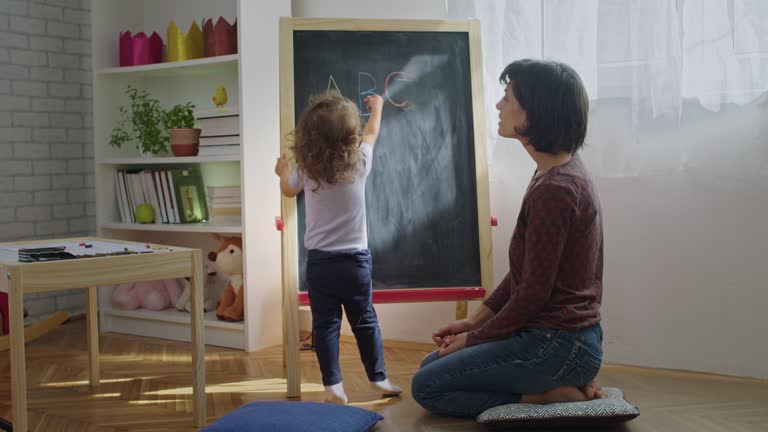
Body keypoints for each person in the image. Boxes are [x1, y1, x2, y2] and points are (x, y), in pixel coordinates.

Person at [411, 59, 606, 417]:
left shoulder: (557, 189)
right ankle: (566, 381)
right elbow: (523, 277)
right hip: (562, 341)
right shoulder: (556, 171)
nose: (499, 106)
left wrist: (475, 338)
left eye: (507, 97)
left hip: (557, 344)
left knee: (428, 386)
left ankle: (546, 397)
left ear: (533, 113)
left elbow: (532, 292)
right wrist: (473, 322)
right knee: (430, 365)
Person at [275, 91, 402, 404]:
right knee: (364, 321)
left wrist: (282, 170)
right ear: (349, 134)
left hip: (320, 264)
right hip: (355, 263)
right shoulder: (359, 161)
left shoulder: (307, 168)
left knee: (326, 325)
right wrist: (378, 108)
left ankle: (333, 385)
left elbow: (288, 191)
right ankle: (379, 377)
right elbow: (372, 132)